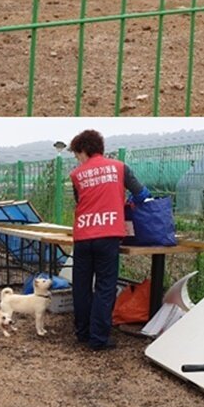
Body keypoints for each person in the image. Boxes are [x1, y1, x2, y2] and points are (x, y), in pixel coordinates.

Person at [69, 130, 148, 352]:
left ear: (84, 150)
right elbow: (142, 194)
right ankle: (99, 338)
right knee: (105, 286)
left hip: (83, 235)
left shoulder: (76, 175)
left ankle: (82, 333)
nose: (78, 160)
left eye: (78, 155)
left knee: (82, 286)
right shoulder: (120, 167)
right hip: (109, 233)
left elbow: (80, 201)